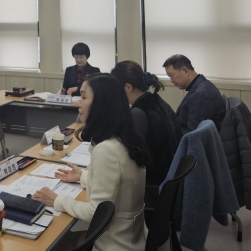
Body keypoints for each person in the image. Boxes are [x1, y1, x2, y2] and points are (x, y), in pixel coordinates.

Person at [33, 74, 148, 251]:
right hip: (130, 235)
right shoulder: (125, 137)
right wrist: (83, 176)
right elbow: (119, 183)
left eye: (84, 97)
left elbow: (95, 213)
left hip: (115, 243)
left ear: (101, 104)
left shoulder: (107, 150)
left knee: (45, 243)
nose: (79, 103)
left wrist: (57, 200)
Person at [111, 60, 182, 211]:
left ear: (128, 87)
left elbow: (128, 158)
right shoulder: (156, 101)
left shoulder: (139, 113)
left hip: (153, 187)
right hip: (169, 180)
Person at [163, 54, 225, 134]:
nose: (171, 80)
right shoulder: (201, 85)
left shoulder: (200, 94)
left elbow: (194, 134)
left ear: (185, 71)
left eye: (171, 76)